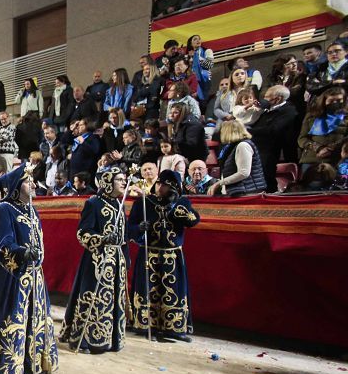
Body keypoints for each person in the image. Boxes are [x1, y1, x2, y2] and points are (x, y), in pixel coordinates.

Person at [0, 163, 58, 374]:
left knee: (34, 320)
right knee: (11, 319)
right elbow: (2, 245)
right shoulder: (4, 209)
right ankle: (5, 367)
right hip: (12, 277)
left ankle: (32, 364)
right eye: (28, 181)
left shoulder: (31, 209)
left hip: (35, 277)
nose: (34, 184)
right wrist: (21, 253)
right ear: (15, 185)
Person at [60, 167, 130, 354]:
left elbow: (123, 235)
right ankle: (85, 340)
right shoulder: (93, 203)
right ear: (108, 182)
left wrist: (126, 256)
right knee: (93, 298)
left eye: (124, 179)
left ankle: (111, 340)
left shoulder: (119, 204)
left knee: (113, 299)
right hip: (97, 261)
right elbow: (82, 233)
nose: (124, 182)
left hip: (116, 260)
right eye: (119, 179)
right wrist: (102, 239)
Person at [127, 169, 200, 342]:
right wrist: (139, 229)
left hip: (172, 256)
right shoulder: (144, 203)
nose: (159, 187)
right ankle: (145, 324)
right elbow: (130, 228)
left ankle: (173, 327)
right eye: (159, 183)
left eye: (164, 185)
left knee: (172, 290)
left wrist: (176, 207)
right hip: (149, 253)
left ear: (173, 187)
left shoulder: (182, 202)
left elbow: (193, 220)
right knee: (147, 289)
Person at [250, 85, 296, 192]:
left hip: (271, 150)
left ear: (278, 99)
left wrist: (248, 131)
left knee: (266, 176)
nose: (264, 100)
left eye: (267, 97)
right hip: (257, 147)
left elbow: (273, 129)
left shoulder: (289, 111)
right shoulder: (265, 110)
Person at [297, 86, 347, 173]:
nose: (335, 103)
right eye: (331, 101)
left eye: (339, 100)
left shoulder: (346, 117)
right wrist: (319, 148)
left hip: (337, 160)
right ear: (324, 101)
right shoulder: (311, 116)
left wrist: (332, 148)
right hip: (312, 159)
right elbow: (302, 138)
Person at [209, 120, 266, 196]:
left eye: (223, 131)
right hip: (239, 192)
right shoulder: (232, 146)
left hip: (248, 193)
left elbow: (243, 173)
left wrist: (219, 183)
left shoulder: (243, 145)